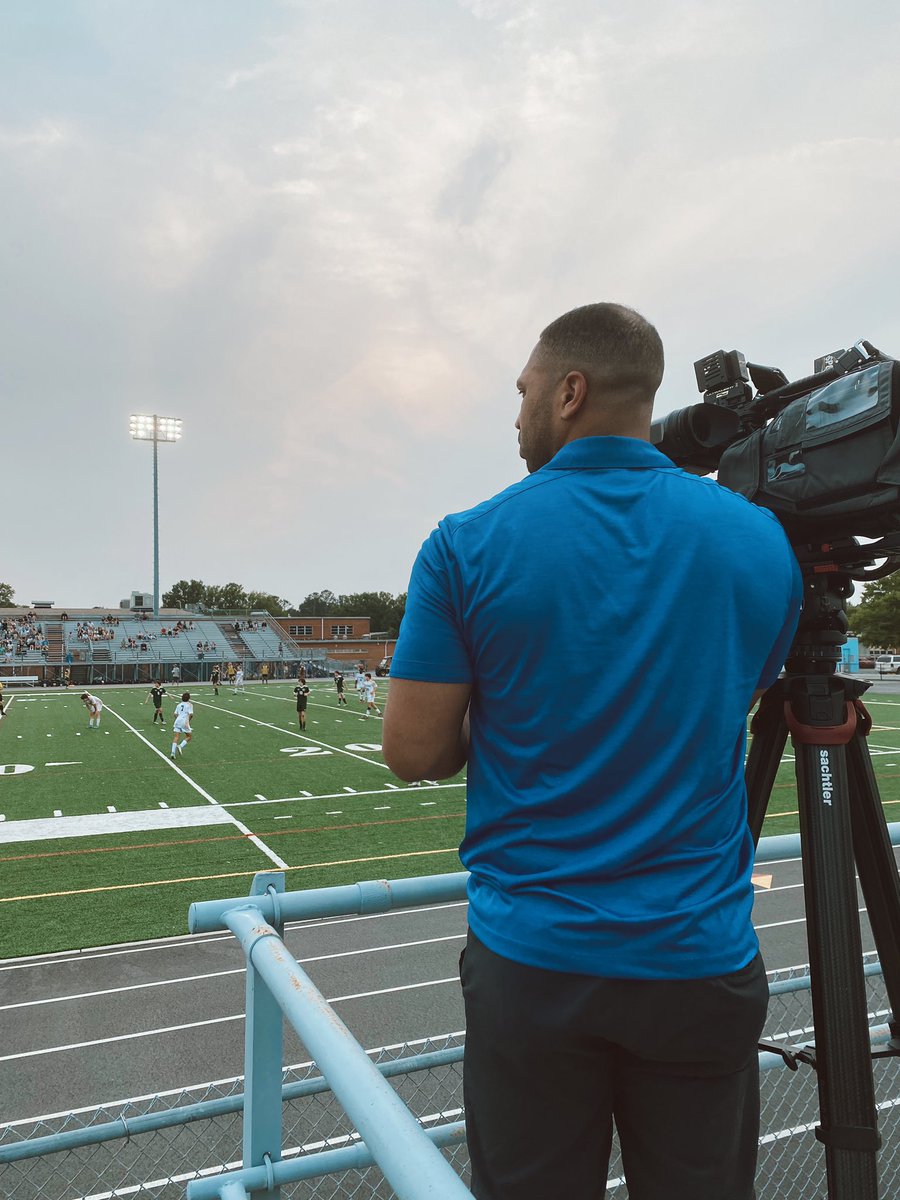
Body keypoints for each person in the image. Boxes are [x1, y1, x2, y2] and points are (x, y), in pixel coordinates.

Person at [382, 302, 803, 1200]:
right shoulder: (761, 538)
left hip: (535, 962)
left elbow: (413, 751)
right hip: (700, 957)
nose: (519, 412)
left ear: (570, 391)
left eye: (526, 390)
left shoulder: (466, 542)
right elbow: (743, 688)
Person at [171, 692, 193, 757]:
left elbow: (175, 714)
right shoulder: (190, 705)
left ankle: (172, 752)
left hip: (177, 721)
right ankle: (180, 746)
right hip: (184, 722)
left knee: (176, 737)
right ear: (189, 698)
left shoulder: (179, 705)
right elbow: (191, 715)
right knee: (189, 736)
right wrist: (188, 721)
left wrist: (178, 719)